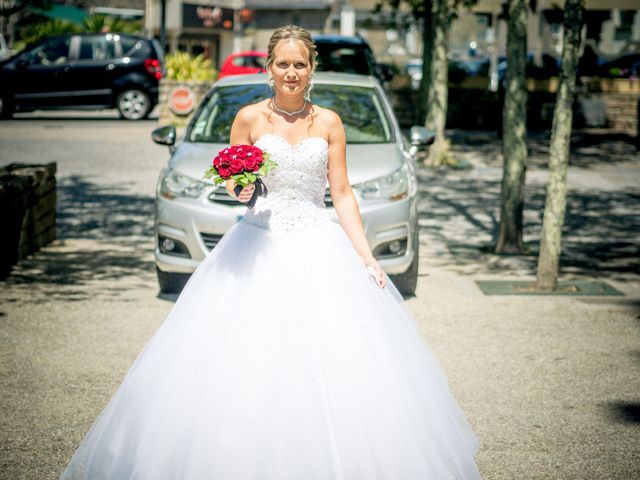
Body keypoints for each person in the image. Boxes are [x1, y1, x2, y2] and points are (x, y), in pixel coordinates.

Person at [60, 25, 481, 479]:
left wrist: (365, 255)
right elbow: (232, 178)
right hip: (256, 243)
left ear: (312, 68)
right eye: (283, 63)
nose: (292, 72)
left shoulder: (330, 123)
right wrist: (239, 189)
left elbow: (341, 194)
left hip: (318, 244)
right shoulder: (248, 119)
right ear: (269, 67)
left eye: (300, 64)